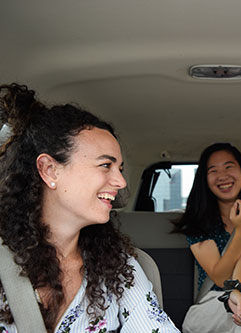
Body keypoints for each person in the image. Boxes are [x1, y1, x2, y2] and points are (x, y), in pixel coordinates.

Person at [0, 83, 179, 332]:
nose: (121, 182)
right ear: (50, 170)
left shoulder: (119, 267)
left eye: (120, 168)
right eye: (105, 165)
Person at [172, 143, 241, 332]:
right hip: (210, 308)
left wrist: (238, 292)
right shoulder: (195, 222)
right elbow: (220, 278)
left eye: (229, 167)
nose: (223, 176)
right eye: (213, 170)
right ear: (205, 179)